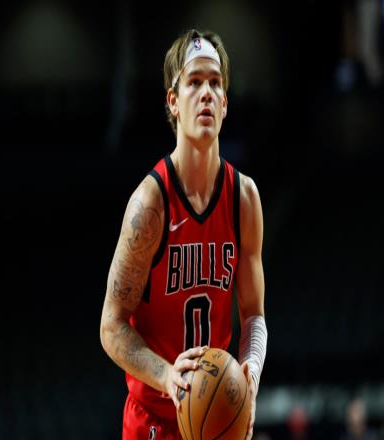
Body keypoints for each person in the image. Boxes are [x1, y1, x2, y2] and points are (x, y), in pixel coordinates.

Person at [99, 28, 268, 439]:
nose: (206, 92)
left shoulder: (243, 198)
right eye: (194, 82)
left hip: (215, 417)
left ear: (225, 104)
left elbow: (253, 315)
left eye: (215, 83)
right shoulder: (149, 205)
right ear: (173, 101)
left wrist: (250, 375)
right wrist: (166, 375)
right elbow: (111, 326)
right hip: (153, 420)